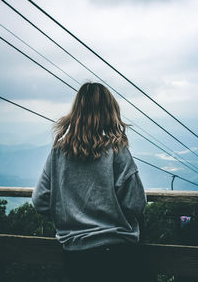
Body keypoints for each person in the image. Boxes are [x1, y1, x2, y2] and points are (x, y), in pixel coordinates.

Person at [32, 82, 147, 282]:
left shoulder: (59, 152)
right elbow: (135, 203)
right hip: (118, 254)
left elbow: (40, 200)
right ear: (110, 112)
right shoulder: (116, 150)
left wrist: (71, 215)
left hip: (75, 255)